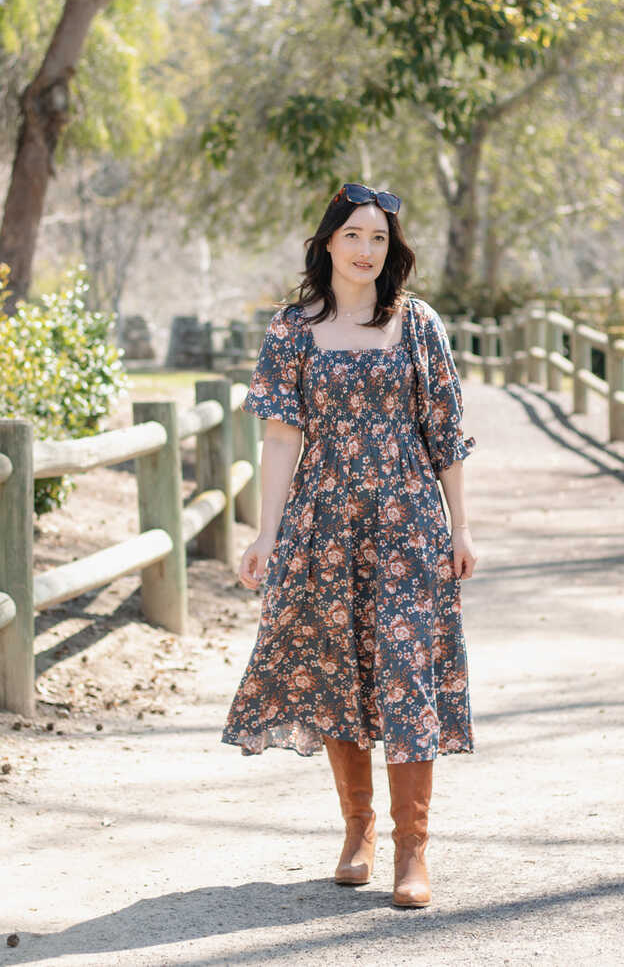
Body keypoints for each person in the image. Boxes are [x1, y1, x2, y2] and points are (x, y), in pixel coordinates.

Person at [221, 182, 477, 908]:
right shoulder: (293, 328)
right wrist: (265, 533)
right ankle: (357, 830)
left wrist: (462, 525)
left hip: (408, 524)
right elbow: (279, 437)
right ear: (328, 242)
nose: (367, 250)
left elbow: (446, 432)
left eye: (379, 238)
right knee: (340, 674)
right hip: (323, 521)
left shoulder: (418, 324)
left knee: (404, 673)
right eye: (354, 236)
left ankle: (412, 851)